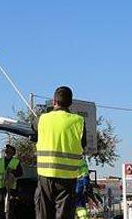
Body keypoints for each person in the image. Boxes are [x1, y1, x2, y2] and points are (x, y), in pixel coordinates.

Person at [34, 86, 86, 219]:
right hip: (67, 178)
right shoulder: (79, 121)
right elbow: (83, 144)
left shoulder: (42, 119)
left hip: (45, 176)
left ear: (53, 101)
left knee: (43, 213)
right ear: (70, 103)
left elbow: (33, 128)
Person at [0, 144, 23, 219]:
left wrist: (12, 172)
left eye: (9, 149)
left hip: (10, 187)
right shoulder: (1, 160)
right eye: (7, 149)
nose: (7, 150)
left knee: (9, 205)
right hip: (0, 187)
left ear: (13, 152)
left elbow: (20, 173)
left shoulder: (16, 161)